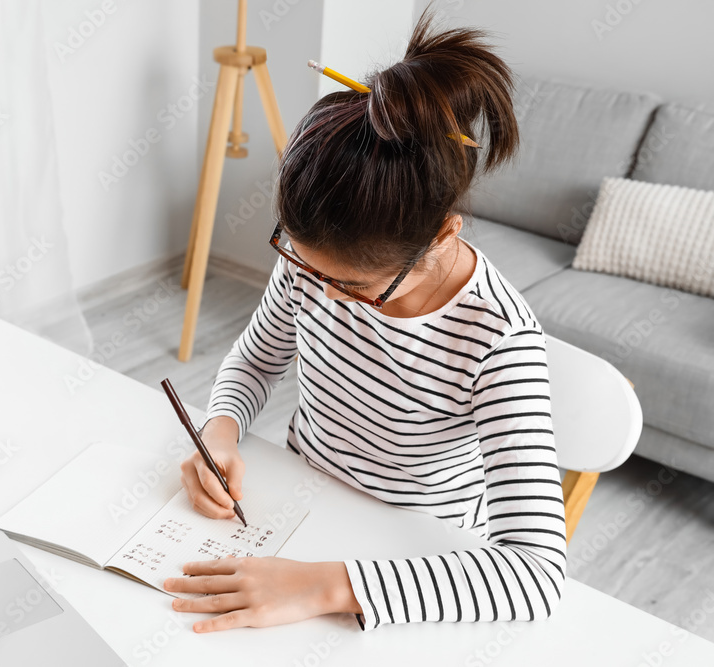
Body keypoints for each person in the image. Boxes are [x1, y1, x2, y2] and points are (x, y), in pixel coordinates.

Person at [163, 6, 567, 633]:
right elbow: (256, 358)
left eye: (351, 287)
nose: (321, 292)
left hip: (411, 560)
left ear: (440, 236)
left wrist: (323, 584)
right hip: (301, 507)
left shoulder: (499, 342)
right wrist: (219, 430)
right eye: (302, 264)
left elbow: (536, 574)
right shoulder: (315, 260)